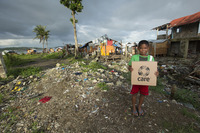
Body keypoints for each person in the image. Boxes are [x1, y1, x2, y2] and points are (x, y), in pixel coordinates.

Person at [128, 40, 159, 117]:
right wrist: (130, 69)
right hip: (136, 80)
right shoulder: (134, 57)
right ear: (138, 48)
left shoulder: (151, 58)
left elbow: (153, 69)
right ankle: (134, 107)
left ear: (148, 48)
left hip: (145, 81)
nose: (143, 50)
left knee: (143, 94)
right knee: (134, 93)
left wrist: (156, 73)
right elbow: (129, 66)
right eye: (141, 48)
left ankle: (139, 106)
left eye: (145, 48)